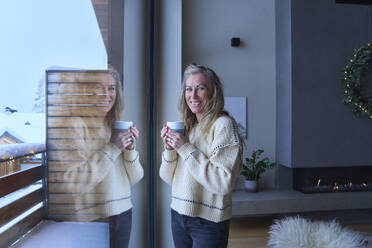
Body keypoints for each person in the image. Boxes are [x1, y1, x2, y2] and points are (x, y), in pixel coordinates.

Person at [159, 64, 243, 248]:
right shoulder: (188, 127)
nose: (193, 95)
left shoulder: (223, 125)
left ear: (213, 92)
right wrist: (170, 149)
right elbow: (167, 177)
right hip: (179, 216)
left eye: (201, 88)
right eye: (189, 89)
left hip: (208, 223)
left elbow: (222, 183)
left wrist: (185, 147)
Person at [60, 66, 143, 248]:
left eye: (111, 88)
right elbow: (74, 182)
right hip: (91, 218)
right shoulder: (74, 126)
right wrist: (113, 148)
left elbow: (135, 177)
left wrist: (130, 149)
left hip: (123, 213)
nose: (106, 94)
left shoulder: (114, 125)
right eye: (98, 87)